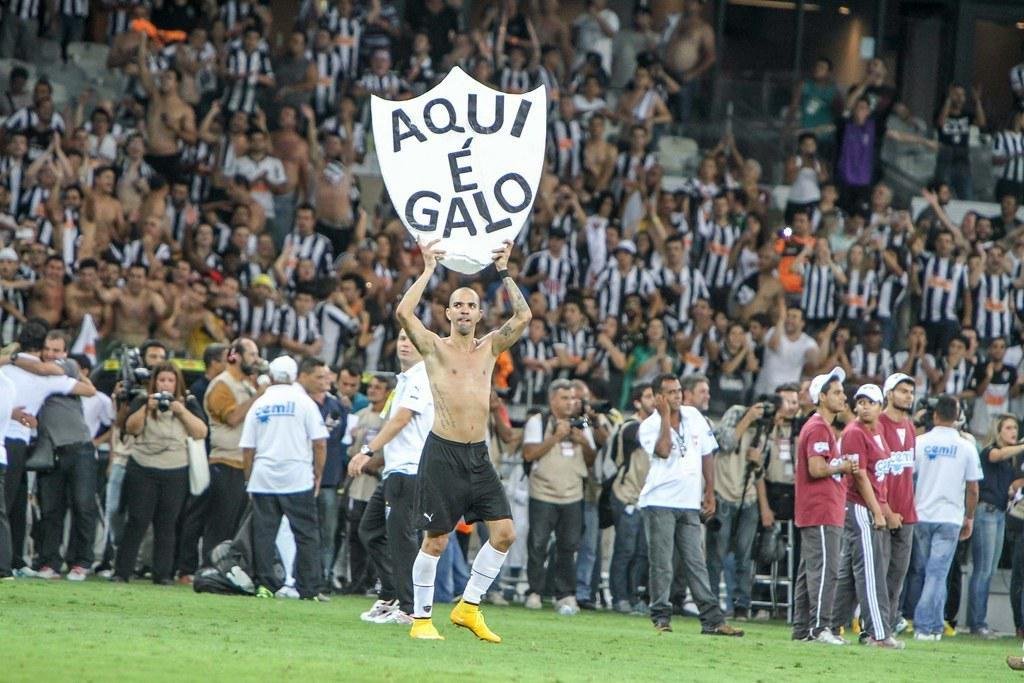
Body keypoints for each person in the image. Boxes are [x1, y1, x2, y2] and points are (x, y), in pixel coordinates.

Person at [395, 239, 531, 642]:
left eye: (472, 305)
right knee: (436, 541)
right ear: (449, 312)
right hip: (442, 454)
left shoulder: (490, 348)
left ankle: (468, 607)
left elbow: (524, 316)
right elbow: (403, 313)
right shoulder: (434, 348)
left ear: (480, 313)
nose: (466, 310)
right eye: (459, 305)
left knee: (504, 533)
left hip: (478, 456)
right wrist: (427, 270)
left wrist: (504, 271)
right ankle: (421, 619)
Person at [638, 373, 743, 637]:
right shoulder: (649, 425)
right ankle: (661, 617)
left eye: (678, 391)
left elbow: (707, 453)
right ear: (659, 397)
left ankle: (712, 621)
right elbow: (663, 450)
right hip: (659, 501)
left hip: (688, 502)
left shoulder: (694, 416)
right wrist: (664, 417)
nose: (677, 396)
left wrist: (710, 491)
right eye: (670, 392)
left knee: (696, 562)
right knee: (662, 564)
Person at [347, 329, 433, 625]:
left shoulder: (422, 377)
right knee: (370, 530)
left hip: (411, 469)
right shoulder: (404, 380)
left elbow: (402, 419)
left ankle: (410, 608)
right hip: (395, 470)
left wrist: (367, 451)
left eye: (412, 339)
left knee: (402, 538)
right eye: (402, 339)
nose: (405, 344)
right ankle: (392, 593)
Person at [0, 321, 95, 578]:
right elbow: (89, 390)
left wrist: (12, 358)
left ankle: (11, 562)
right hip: (18, 443)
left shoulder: (8, 368)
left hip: (11, 440)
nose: (51, 354)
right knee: (13, 506)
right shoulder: (47, 377)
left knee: (11, 504)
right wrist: (77, 373)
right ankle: (13, 562)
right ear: (41, 347)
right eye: (48, 349)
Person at [241, 355, 329, 600]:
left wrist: (249, 478)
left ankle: (266, 585)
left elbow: (248, 449)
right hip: (297, 476)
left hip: (264, 477)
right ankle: (309, 588)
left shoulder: (259, 404)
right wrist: (318, 473)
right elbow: (320, 443)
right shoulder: (304, 403)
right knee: (306, 534)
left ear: (270, 376)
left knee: (264, 534)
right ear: (293, 377)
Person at [115, 363, 207, 584]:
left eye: (170, 380)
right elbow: (131, 428)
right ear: (154, 382)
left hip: (175, 469)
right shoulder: (142, 399)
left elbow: (201, 431)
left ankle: (163, 574)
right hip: (143, 466)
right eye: (162, 380)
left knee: (167, 524)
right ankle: (122, 571)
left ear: (177, 383)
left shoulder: (188, 402)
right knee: (137, 520)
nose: (166, 385)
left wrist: (181, 410)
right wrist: (147, 408)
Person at [831, 383, 905, 649]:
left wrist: (884, 508)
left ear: (880, 406)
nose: (864, 407)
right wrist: (878, 511)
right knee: (871, 571)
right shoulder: (854, 432)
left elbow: (878, 477)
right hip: (859, 507)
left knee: (850, 574)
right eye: (860, 402)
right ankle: (878, 633)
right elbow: (860, 476)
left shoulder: (877, 431)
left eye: (870, 402)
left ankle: (829, 625)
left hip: (868, 506)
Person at [905, 395, 981, 641]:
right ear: (957, 418)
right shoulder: (966, 447)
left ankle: (935, 625)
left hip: (922, 514)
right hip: (950, 516)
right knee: (937, 574)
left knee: (928, 572)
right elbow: (973, 488)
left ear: (935, 415)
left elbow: (907, 479)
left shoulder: (920, 443)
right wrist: (969, 517)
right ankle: (925, 626)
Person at [522, 379, 597, 616]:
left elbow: (591, 459)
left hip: (573, 493)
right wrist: (556, 437)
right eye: (565, 398)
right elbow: (528, 454)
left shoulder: (582, 424)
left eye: (573, 398)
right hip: (543, 492)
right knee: (537, 544)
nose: (570, 403)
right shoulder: (538, 421)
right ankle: (534, 591)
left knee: (569, 546)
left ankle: (565, 594)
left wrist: (582, 441)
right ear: (552, 399)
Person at [791, 368, 853, 645]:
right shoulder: (818, 427)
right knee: (826, 570)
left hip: (819, 509)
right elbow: (817, 468)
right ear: (822, 397)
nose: (843, 397)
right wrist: (843, 466)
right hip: (821, 509)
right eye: (837, 393)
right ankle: (820, 628)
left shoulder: (820, 427)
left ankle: (802, 629)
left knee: (811, 571)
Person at [33, 330, 100, 581]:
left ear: (65, 352)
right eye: (47, 349)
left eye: (56, 350)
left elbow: (89, 390)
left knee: (83, 506)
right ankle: (49, 561)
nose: (51, 354)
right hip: (50, 448)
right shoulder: (35, 370)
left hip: (79, 446)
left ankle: (81, 562)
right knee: (51, 509)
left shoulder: (68, 366)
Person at [203, 338, 265, 562]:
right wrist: (258, 397)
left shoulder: (246, 384)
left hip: (244, 463)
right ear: (235, 356)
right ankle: (210, 566)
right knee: (221, 522)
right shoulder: (222, 384)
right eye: (252, 354)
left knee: (236, 524)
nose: (256, 360)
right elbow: (232, 418)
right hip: (225, 461)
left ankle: (228, 567)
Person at [969, 414, 1023, 638]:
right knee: (982, 570)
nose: (1013, 432)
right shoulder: (989, 451)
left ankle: (979, 621)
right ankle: (977, 623)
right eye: (1008, 428)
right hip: (987, 511)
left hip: (999, 513)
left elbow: (1014, 483)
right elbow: (997, 455)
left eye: (1015, 428)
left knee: (989, 570)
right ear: (997, 431)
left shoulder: (1010, 460)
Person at [297, 357, 348, 587]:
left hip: (328, 479)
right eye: (320, 377)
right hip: (302, 477)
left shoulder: (336, 407)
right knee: (304, 530)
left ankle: (324, 577)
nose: (325, 381)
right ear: (305, 377)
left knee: (328, 532)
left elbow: (339, 440)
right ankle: (301, 575)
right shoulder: (301, 404)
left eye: (327, 376)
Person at [877, 373, 918, 635]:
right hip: (882, 511)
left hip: (907, 511)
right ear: (889, 393)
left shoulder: (910, 427)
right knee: (877, 574)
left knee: (897, 577)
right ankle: (873, 627)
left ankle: (888, 627)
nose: (908, 396)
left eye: (911, 392)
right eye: (903, 391)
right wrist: (886, 510)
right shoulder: (877, 424)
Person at [608, 382, 655, 614]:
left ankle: (635, 596)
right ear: (637, 402)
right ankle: (619, 597)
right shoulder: (629, 427)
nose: (653, 401)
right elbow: (641, 437)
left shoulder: (658, 427)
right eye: (648, 397)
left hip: (646, 498)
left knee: (642, 552)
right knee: (625, 549)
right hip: (626, 495)